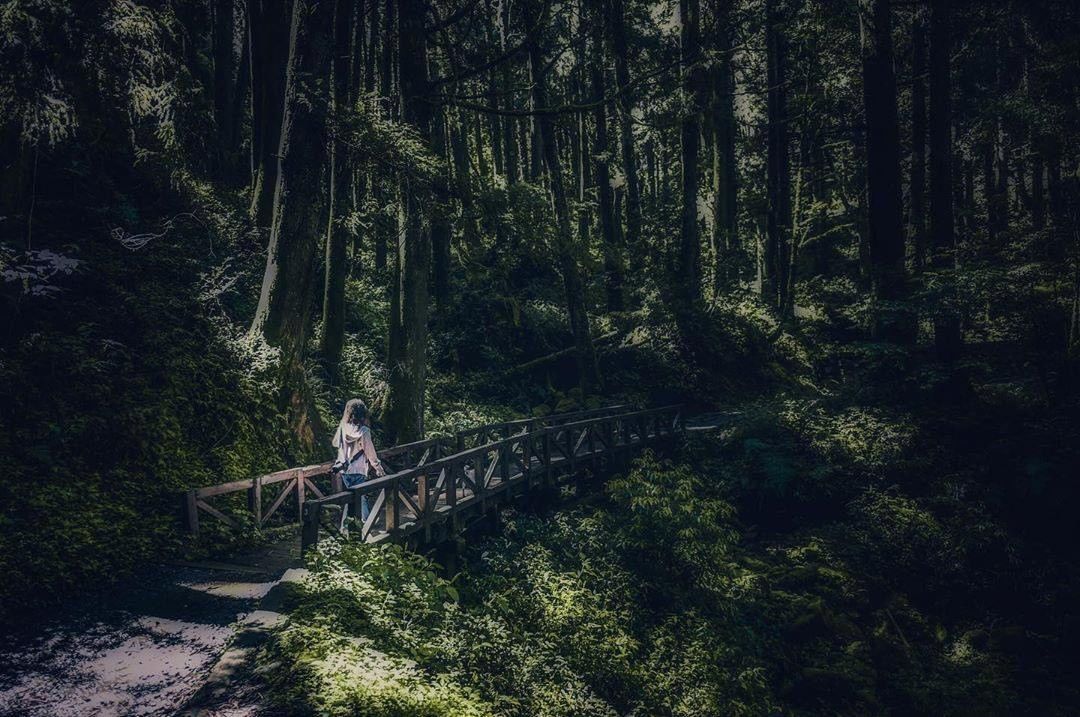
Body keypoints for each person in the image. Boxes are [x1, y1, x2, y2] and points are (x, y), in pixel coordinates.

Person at [331, 398, 387, 521]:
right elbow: (370, 452)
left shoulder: (342, 427)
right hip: (359, 468)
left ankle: (346, 526)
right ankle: (366, 522)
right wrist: (378, 468)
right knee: (361, 496)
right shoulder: (364, 431)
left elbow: (336, 444)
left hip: (344, 469)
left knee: (350, 499)